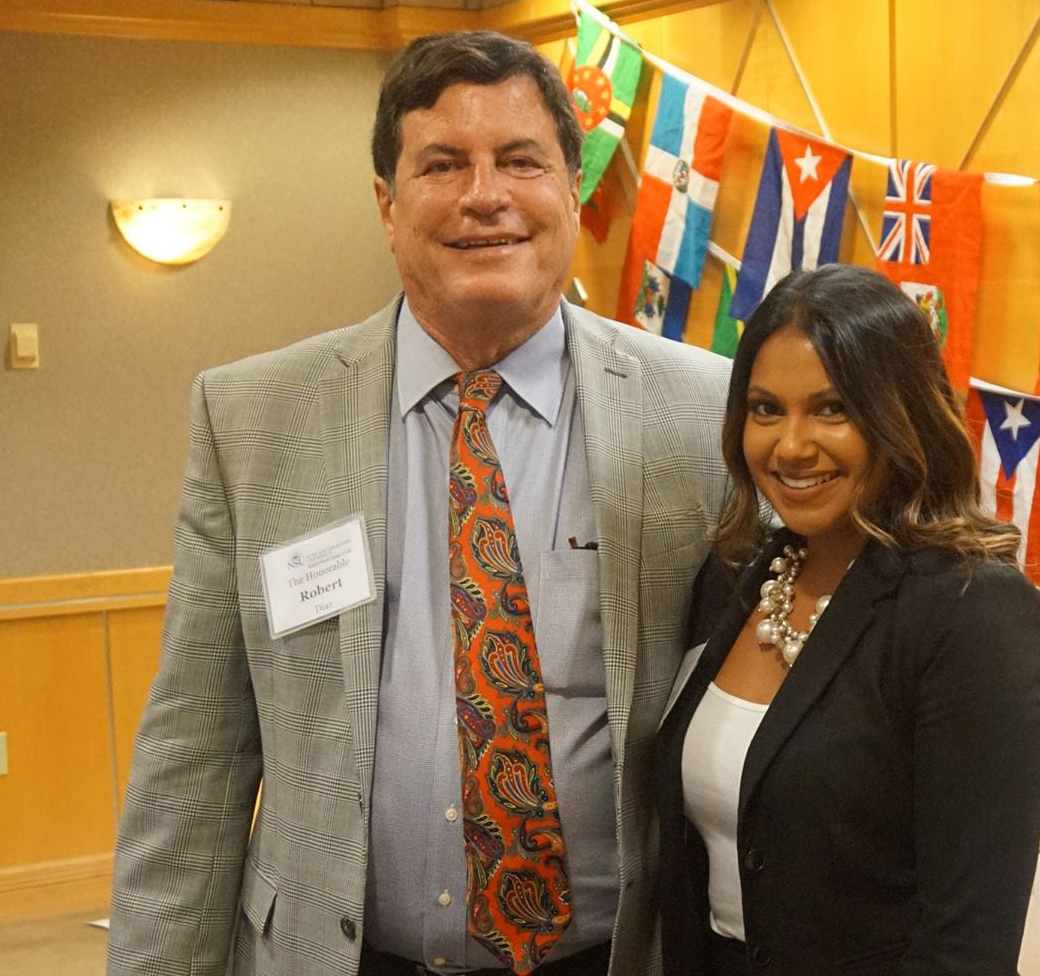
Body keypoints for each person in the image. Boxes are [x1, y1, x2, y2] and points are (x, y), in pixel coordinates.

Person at [108, 31, 730, 976]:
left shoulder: (704, 414)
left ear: (572, 190)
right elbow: (195, 752)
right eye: (443, 165)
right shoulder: (254, 420)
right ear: (387, 206)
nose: (486, 195)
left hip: (605, 956)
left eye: (522, 161)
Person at [654, 264, 1040, 975]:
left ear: (901, 416)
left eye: (832, 409)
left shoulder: (971, 613)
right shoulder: (737, 577)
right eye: (766, 408)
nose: (791, 446)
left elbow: (967, 944)